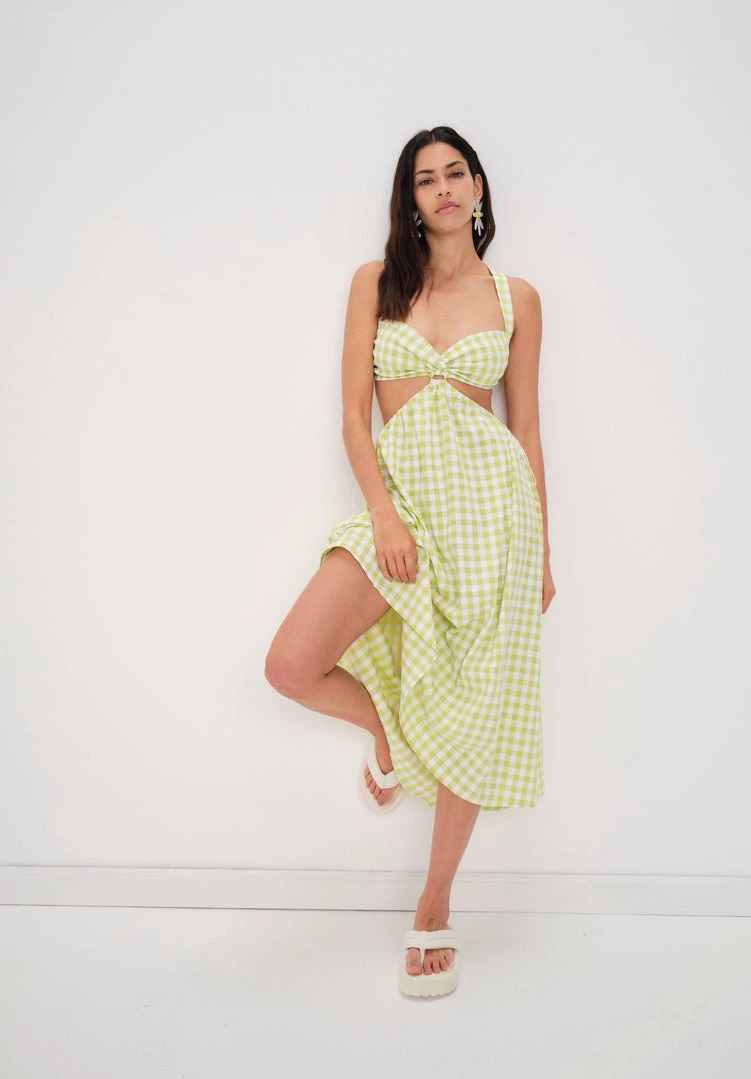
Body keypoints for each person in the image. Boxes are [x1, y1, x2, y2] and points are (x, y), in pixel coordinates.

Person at [265, 125, 555, 998]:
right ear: (411, 199)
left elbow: (526, 427)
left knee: (473, 711)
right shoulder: (377, 283)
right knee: (290, 664)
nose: (443, 188)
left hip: (492, 520)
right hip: (402, 510)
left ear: (478, 186)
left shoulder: (517, 297)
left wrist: (542, 549)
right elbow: (355, 416)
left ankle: (434, 906)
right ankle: (387, 730)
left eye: (456, 173)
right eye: (426, 179)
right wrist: (383, 517)